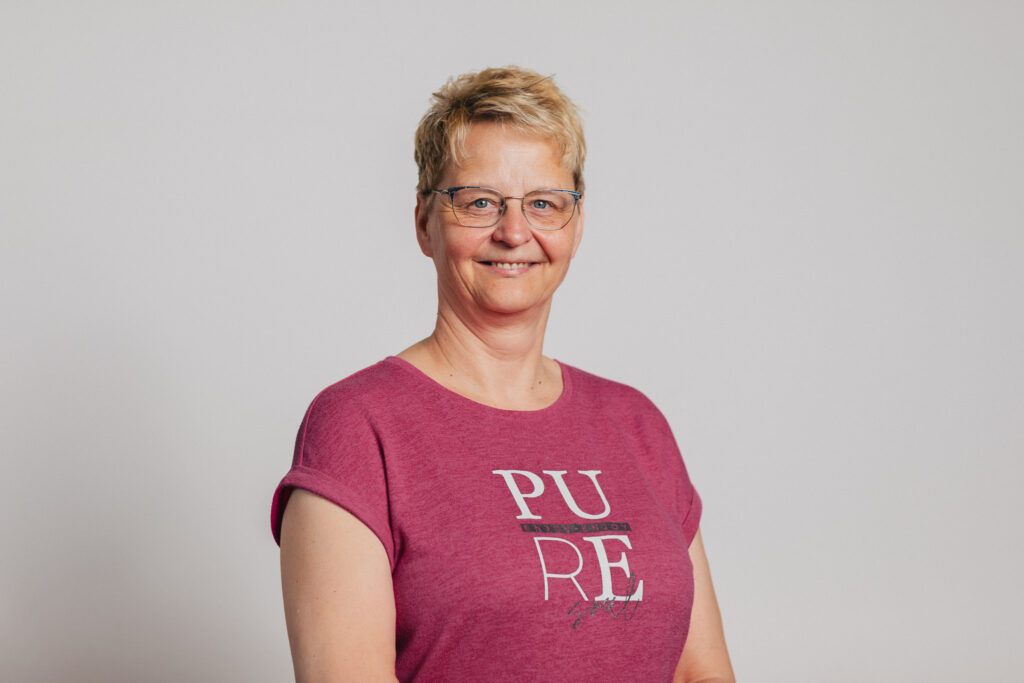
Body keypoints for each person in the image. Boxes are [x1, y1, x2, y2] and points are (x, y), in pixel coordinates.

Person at [270, 66, 735, 683]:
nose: (515, 232)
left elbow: (701, 671)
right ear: (424, 222)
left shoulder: (636, 423)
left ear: (575, 224)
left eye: (544, 203)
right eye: (479, 202)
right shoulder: (358, 426)